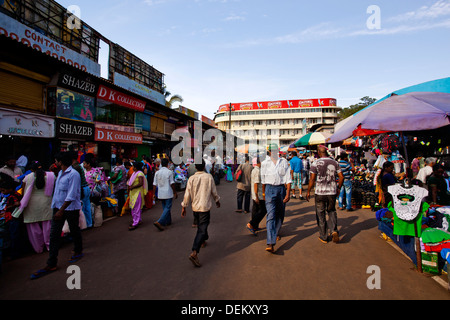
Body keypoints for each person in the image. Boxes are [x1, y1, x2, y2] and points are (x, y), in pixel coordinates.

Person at [31, 152, 82, 280]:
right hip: (58, 207)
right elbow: (58, 192)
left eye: (56, 161)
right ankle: (51, 263)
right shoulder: (59, 173)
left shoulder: (74, 174)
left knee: (74, 229)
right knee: (54, 235)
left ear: (61, 162)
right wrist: (55, 207)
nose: (55, 163)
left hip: (70, 208)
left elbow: (72, 194)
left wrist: (61, 210)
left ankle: (78, 250)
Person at [181, 160, 220, 267]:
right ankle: (194, 252)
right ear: (203, 167)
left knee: (201, 226)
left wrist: (184, 206)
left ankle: (203, 240)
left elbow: (187, 193)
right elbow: (214, 191)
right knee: (202, 228)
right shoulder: (208, 177)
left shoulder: (191, 178)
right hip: (204, 207)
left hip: (195, 207)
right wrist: (217, 200)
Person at [14, 162, 55, 254]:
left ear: (31, 169)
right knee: (47, 225)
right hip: (46, 201)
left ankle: (38, 248)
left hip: (31, 204)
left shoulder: (27, 177)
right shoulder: (51, 176)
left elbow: (23, 192)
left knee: (33, 226)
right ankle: (50, 246)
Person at [306, 146, 344, 244]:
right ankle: (334, 230)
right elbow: (341, 177)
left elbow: (312, 179)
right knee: (331, 211)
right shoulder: (335, 162)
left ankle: (324, 236)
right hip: (332, 192)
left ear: (319, 152)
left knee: (320, 214)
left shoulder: (315, 163)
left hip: (320, 192)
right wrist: (338, 188)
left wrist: (308, 191)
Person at [261, 143, 292, 253]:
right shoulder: (265, 163)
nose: (274, 152)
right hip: (269, 190)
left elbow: (288, 179)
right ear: (269, 151)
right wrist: (264, 194)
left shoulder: (283, 162)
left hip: (281, 190)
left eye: (275, 150)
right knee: (270, 215)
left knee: (280, 214)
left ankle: (276, 231)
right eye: (272, 150)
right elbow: (263, 180)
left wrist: (288, 193)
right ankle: (270, 242)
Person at [0, 176, 22, 261]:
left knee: (13, 236)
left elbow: (17, 203)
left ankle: (14, 254)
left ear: (9, 189)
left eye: (3, 190)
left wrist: (7, 207)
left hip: (13, 218)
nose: (2, 192)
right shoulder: (8, 195)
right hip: (9, 219)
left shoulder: (13, 196)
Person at [153, 158, 177, 231]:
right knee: (167, 207)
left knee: (165, 207)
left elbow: (154, 184)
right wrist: (175, 192)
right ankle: (160, 221)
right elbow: (172, 183)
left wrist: (154, 194)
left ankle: (168, 221)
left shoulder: (157, 172)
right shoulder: (169, 172)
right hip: (168, 192)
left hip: (160, 193)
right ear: (167, 164)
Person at [70, 152, 91, 228]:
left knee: (83, 208)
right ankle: (89, 224)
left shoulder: (75, 167)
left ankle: (84, 225)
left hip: (82, 189)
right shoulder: (78, 166)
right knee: (87, 207)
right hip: (86, 188)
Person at [247, 157, 266, 235]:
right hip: (259, 195)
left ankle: (254, 226)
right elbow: (256, 184)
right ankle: (251, 223)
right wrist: (257, 196)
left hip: (255, 195)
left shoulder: (254, 170)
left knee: (256, 210)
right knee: (263, 210)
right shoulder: (257, 171)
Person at [127, 161, 148, 231]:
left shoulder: (139, 173)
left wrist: (132, 187)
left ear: (136, 167)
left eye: (133, 166)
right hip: (133, 192)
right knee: (134, 207)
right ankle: (137, 220)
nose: (132, 167)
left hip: (137, 192)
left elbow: (141, 183)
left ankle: (135, 223)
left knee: (136, 208)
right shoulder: (134, 173)